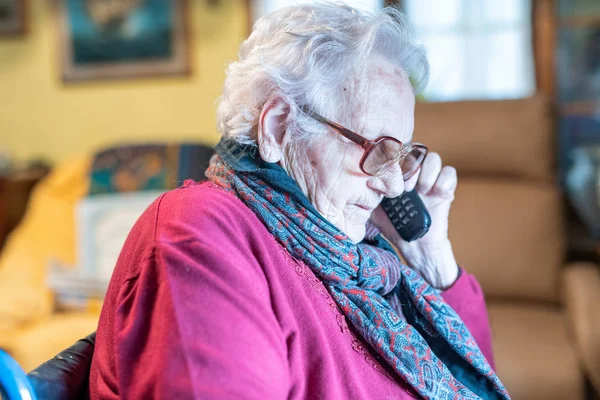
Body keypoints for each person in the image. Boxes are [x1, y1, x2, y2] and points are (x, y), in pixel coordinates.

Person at [89, 3, 510, 399]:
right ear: (278, 128)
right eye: (378, 149)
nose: (396, 186)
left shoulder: (356, 252)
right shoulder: (201, 234)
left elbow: (473, 378)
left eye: (401, 155)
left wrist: (430, 259)